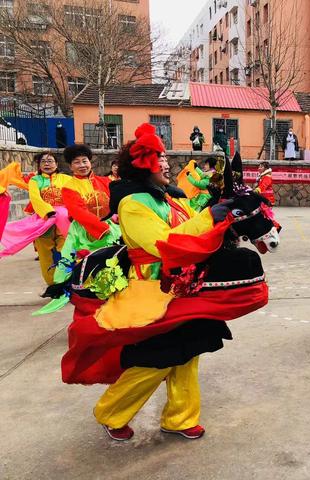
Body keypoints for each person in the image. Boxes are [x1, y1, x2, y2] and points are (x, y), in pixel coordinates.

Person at [91, 123, 232, 440]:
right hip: (151, 292)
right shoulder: (133, 204)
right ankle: (111, 413)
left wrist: (221, 207)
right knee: (157, 358)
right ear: (142, 167)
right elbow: (165, 244)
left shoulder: (167, 197)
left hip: (181, 288)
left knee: (187, 353)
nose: (167, 164)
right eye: (159, 158)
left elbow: (193, 222)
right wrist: (212, 218)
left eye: (166, 156)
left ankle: (180, 418)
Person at [54, 144, 120, 283]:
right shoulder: (69, 187)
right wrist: (101, 228)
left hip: (110, 226)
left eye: (85, 161)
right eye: (77, 162)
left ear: (90, 162)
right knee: (83, 265)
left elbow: (116, 202)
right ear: (70, 166)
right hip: (83, 230)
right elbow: (79, 212)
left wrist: (116, 216)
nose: (82, 165)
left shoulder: (105, 181)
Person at [28, 153, 72, 285]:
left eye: (50, 161)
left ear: (57, 164)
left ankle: (67, 282)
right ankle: (53, 285)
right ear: (39, 165)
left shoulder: (66, 179)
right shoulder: (35, 180)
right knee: (45, 254)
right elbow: (35, 199)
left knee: (66, 251)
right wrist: (48, 212)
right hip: (44, 220)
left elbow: (73, 196)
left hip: (64, 221)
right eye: (43, 161)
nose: (47, 164)